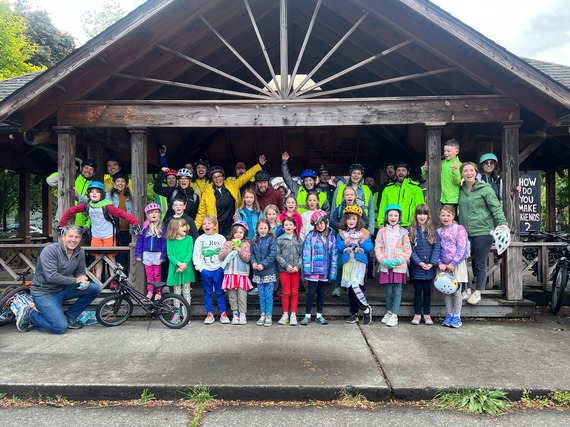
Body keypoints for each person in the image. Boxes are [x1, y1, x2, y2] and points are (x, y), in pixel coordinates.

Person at [16, 225, 102, 334]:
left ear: (80, 239)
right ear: (63, 236)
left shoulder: (80, 252)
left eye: (77, 237)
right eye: (70, 236)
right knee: (60, 328)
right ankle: (29, 314)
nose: (73, 240)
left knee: (95, 289)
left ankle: (70, 315)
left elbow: (80, 272)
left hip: (63, 289)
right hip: (44, 293)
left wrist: (82, 281)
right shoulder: (50, 250)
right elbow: (51, 277)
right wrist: (76, 280)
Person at [58, 181, 140, 283]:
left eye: (97, 191)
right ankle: (98, 281)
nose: (94, 193)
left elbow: (122, 213)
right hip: (96, 235)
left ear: (102, 194)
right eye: (91, 191)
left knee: (111, 258)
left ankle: (113, 281)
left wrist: (135, 223)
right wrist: (61, 225)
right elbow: (71, 210)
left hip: (109, 235)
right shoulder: (87, 205)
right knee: (98, 258)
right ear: (88, 194)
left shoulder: (107, 206)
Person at [458, 162, 509, 305]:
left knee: (480, 262)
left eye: (471, 171)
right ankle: (467, 289)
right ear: (462, 174)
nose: (468, 173)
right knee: (462, 261)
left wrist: (502, 222)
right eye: (465, 171)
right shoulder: (460, 189)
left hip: (482, 231)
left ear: (476, 173)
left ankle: (478, 292)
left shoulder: (485, 188)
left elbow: (495, 207)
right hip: (465, 232)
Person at [195, 156, 266, 236]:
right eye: (214, 177)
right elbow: (200, 214)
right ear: (212, 180)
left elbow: (245, 177)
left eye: (219, 176)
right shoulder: (207, 194)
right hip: (217, 227)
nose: (217, 178)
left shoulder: (232, 185)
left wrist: (259, 165)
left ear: (223, 177)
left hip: (232, 225)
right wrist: (192, 232)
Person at [374, 204, 412, 327]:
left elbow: (407, 251)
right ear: (386, 216)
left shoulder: (403, 232)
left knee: (397, 290)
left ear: (399, 217)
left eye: (395, 215)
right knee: (388, 290)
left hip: (398, 266)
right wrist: (382, 260)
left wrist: (398, 261)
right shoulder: (381, 231)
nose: (393, 217)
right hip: (386, 265)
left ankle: (395, 315)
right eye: (390, 215)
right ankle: (389, 312)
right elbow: (378, 248)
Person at [336, 206, 374, 325]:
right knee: (350, 288)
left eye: (354, 219)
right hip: (348, 263)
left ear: (358, 220)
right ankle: (354, 313)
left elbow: (370, 248)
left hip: (359, 263)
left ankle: (366, 309)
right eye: (349, 219)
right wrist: (344, 243)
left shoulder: (364, 232)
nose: (351, 221)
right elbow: (338, 248)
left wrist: (362, 242)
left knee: (355, 285)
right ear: (345, 220)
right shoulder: (342, 233)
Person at [330, 186, 370, 297]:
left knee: (356, 263)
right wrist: (343, 228)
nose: (349, 196)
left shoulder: (360, 208)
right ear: (343, 197)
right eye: (347, 195)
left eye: (351, 194)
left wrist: (357, 229)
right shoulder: (339, 209)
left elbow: (366, 221)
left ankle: (351, 286)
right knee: (340, 264)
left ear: (355, 196)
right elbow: (332, 221)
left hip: (357, 239)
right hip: (343, 238)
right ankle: (338, 286)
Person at [301, 210, 337, 325]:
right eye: (317, 224)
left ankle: (319, 315)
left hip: (324, 271)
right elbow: (306, 254)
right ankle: (307, 316)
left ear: (326, 222)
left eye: (322, 223)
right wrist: (307, 271)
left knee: (322, 292)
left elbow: (334, 256)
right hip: (313, 271)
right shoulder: (310, 236)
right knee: (311, 292)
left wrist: (332, 272)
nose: (320, 226)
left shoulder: (331, 237)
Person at [192, 215, 229, 324]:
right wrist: (201, 268)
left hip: (218, 269)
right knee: (207, 292)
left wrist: (222, 267)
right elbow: (196, 255)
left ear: (215, 226)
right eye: (204, 224)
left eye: (209, 223)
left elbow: (225, 253)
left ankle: (223, 313)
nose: (206, 225)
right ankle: (209, 313)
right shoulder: (200, 239)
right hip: (206, 270)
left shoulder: (221, 238)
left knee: (220, 292)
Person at [438, 205, 469, 328]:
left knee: (456, 292)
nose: (445, 218)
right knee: (446, 291)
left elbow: (462, 247)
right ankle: (449, 314)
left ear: (453, 216)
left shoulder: (459, 229)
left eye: (448, 215)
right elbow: (436, 249)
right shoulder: (438, 231)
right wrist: (439, 262)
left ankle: (457, 316)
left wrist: (454, 263)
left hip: (456, 264)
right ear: (440, 216)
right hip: (443, 266)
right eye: (443, 215)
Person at [409, 204, 441, 325]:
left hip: (429, 268)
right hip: (417, 267)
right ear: (416, 215)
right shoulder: (411, 230)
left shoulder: (432, 230)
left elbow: (436, 247)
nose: (422, 216)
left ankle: (427, 314)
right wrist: (419, 262)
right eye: (419, 214)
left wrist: (432, 263)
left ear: (428, 216)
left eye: (424, 214)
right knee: (417, 291)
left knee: (427, 291)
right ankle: (417, 314)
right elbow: (410, 249)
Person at [219, 221, 252, 325]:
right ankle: (235, 314)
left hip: (241, 274)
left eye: (241, 232)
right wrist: (229, 249)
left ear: (244, 234)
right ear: (232, 233)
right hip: (230, 274)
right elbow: (220, 256)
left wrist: (240, 249)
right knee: (232, 296)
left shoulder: (246, 244)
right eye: (236, 232)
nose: (238, 234)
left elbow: (247, 259)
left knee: (242, 295)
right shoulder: (227, 243)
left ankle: (243, 315)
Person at [47, 159, 97, 228]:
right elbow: (50, 181)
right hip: (62, 221)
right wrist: (67, 172)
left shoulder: (95, 187)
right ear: (81, 169)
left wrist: (79, 197)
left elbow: (95, 205)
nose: (88, 171)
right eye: (86, 168)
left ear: (94, 173)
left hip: (81, 225)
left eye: (91, 169)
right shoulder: (71, 178)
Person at [136, 203, 168, 300]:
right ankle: (150, 291)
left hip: (157, 254)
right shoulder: (145, 228)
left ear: (159, 214)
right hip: (147, 254)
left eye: (156, 212)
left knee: (157, 274)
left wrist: (163, 256)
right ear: (147, 215)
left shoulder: (162, 228)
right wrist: (138, 253)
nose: (153, 214)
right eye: (151, 213)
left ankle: (158, 292)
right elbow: (139, 241)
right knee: (149, 274)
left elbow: (164, 243)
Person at [378, 161, 425, 227]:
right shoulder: (388, 189)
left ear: (408, 172)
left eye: (403, 170)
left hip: (410, 225)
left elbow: (420, 207)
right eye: (398, 170)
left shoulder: (416, 188)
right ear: (395, 172)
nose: (401, 172)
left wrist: (419, 224)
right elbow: (383, 207)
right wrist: (381, 223)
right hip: (391, 225)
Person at [332, 163, 374, 235]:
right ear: (350, 174)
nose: (356, 175)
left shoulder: (367, 190)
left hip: (361, 230)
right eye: (354, 173)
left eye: (359, 173)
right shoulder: (339, 189)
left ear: (361, 176)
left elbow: (371, 211)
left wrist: (370, 231)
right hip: (342, 230)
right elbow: (333, 210)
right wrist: (334, 232)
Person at [106, 171, 135, 276]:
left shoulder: (131, 198)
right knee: (118, 256)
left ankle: (128, 278)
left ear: (126, 184)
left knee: (128, 256)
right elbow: (95, 203)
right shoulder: (108, 196)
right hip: (115, 231)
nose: (120, 183)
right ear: (114, 183)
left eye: (123, 181)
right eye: (118, 181)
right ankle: (117, 279)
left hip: (129, 231)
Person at [276, 217, 303, 326]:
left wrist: (298, 266)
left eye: (290, 225)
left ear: (295, 227)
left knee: (294, 292)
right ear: (283, 227)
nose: (288, 227)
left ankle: (293, 314)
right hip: (284, 270)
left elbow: (302, 255)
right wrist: (286, 265)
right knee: (285, 292)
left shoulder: (299, 240)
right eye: (286, 225)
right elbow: (277, 255)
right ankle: (285, 314)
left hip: (296, 270)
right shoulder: (279, 240)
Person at [251, 218, 277, 327]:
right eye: (260, 228)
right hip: (258, 273)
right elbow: (252, 254)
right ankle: (262, 314)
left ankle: (269, 315)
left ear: (269, 229)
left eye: (265, 228)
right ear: (257, 229)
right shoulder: (254, 241)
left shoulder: (271, 240)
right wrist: (254, 263)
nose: (262, 230)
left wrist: (263, 264)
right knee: (261, 295)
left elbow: (272, 254)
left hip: (269, 272)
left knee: (268, 295)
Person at [422, 139, 462, 207]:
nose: (445, 153)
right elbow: (428, 174)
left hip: (452, 200)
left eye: (448, 151)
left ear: (456, 151)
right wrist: (424, 169)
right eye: (444, 151)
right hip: (439, 198)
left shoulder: (460, 165)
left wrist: (455, 172)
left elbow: (457, 182)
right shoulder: (441, 163)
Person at [166, 218, 195, 314]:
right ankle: (176, 312)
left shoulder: (189, 239)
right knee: (176, 292)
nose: (185, 227)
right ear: (175, 228)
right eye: (182, 226)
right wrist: (179, 264)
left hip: (186, 268)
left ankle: (186, 312)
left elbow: (190, 252)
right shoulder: (170, 241)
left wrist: (184, 265)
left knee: (186, 291)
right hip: (175, 268)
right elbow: (170, 254)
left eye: (185, 225)